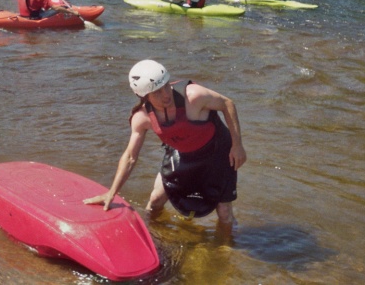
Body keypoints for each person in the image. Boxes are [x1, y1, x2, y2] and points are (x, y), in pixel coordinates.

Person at [84, 60, 246, 228]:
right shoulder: (142, 118)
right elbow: (130, 156)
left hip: (217, 151)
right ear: (143, 95)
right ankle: (151, 235)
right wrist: (112, 193)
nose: (166, 95)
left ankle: (225, 248)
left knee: (224, 212)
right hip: (182, 152)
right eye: (157, 93)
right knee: (155, 201)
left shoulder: (194, 96)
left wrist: (237, 145)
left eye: (166, 86)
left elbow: (227, 104)